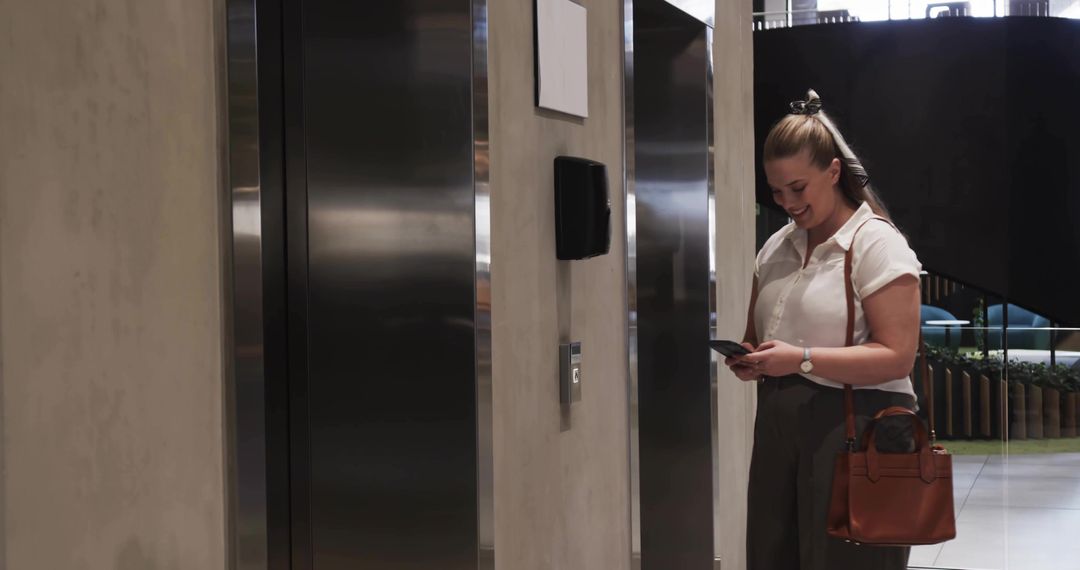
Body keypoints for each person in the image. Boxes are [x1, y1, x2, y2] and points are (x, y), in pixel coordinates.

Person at [727, 89, 923, 570]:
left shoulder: (875, 243)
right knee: (775, 555)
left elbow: (898, 356)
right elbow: (757, 331)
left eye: (798, 188)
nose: (787, 202)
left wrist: (801, 358)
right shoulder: (776, 247)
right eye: (776, 191)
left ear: (834, 172)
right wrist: (750, 358)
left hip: (857, 428)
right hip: (779, 426)